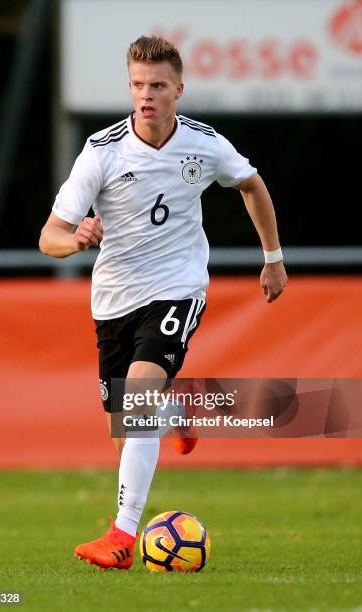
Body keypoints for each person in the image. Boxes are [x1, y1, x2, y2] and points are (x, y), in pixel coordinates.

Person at [39, 35, 287, 570]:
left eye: (156, 85)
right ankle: (178, 410)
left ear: (178, 88)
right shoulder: (101, 152)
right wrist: (77, 240)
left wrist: (273, 257)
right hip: (112, 300)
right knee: (126, 428)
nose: (145, 95)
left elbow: (252, 186)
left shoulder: (204, 144)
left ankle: (122, 537)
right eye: (136, 85)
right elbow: (49, 237)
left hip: (177, 286)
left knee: (141, 394)